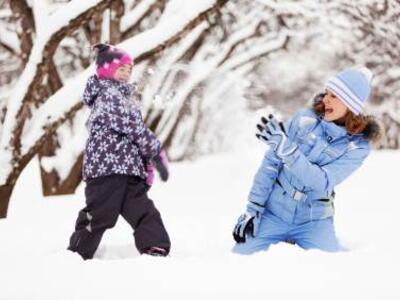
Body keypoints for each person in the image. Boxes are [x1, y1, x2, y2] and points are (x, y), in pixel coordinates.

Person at [233, 67, 382, 254]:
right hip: (273, 215)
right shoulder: (304, 119)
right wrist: (253, 209)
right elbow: (270, 166)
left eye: (334, 96)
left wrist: (287, 151)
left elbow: (322, 181)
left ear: (351, 105)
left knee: (336, 265)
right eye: (327, 93)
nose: (326, 99)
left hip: (313, 222)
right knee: (239, 257)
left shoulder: (358, 146)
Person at [68, 43, 171, 259]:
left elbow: (131, 136)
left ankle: (155, 247)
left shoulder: (123, 97)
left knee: (142, 210)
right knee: (99, 215)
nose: (126, 74)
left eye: (129, 70)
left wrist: (145, 166)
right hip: (107, 170)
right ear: (105, 69)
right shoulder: (108, 95)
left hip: (125, 169)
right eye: (121, 69)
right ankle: (77, 253)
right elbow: (133, 128)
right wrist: (155, 151)